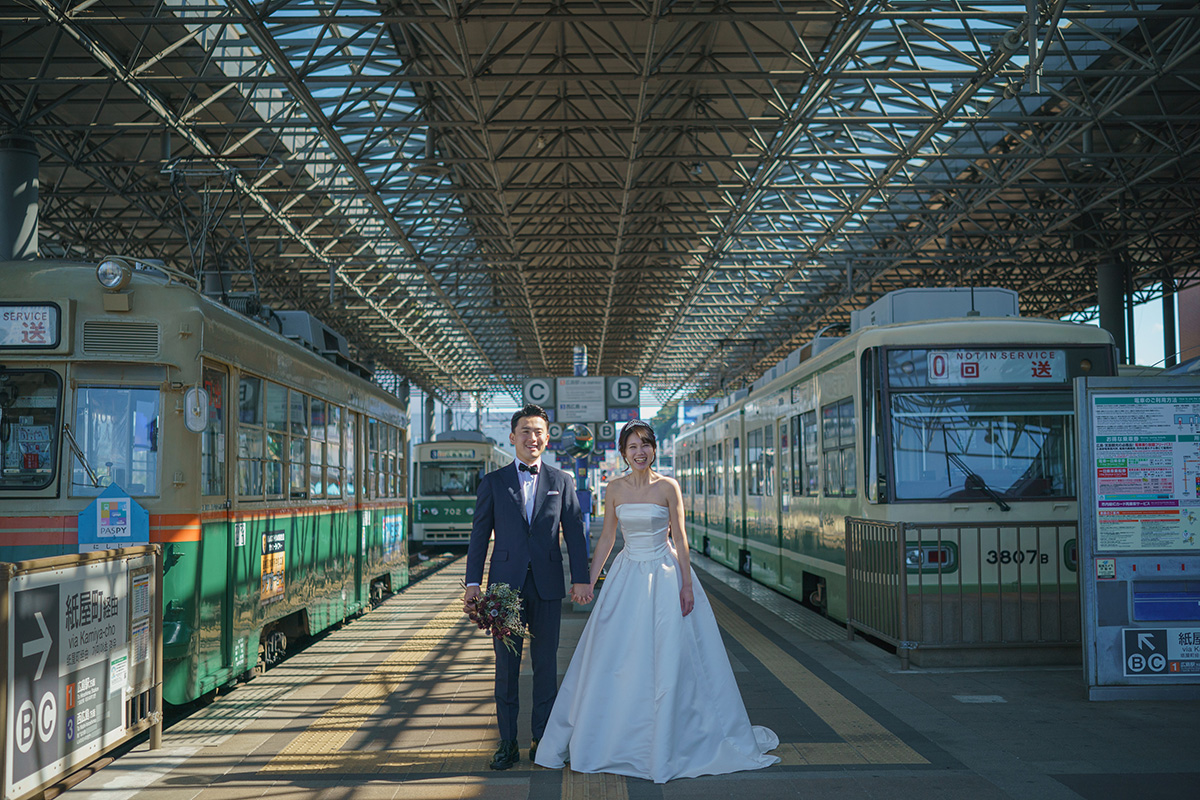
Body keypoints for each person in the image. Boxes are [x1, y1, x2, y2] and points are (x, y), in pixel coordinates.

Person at [533, 419, 779, 783]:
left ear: (654, 449)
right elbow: (607, 539)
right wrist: (585, 580)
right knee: (615, 653)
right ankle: (617, 736)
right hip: (627, 574)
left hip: (665, 576)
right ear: (623, 452)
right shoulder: (614, 488)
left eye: (645, 445)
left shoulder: (669, 487)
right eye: (632, 446)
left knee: (669, 653)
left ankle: (675, 733)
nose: (639, 452)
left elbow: (680, 538)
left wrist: (687, 585)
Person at [464, 404, 592, 771]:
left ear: (547, 439)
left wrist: (581, 579)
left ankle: (542, 740)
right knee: (506, 668)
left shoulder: (562, 481)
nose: (531, 438)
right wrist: (474, 584)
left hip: (548, 586)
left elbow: (575, 535)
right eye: (525, 431)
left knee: (546, 666)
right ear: (512, 437)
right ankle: (506, 743)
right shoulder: (493, 482)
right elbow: (478, 537)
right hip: (505, 590)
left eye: (538, 432)